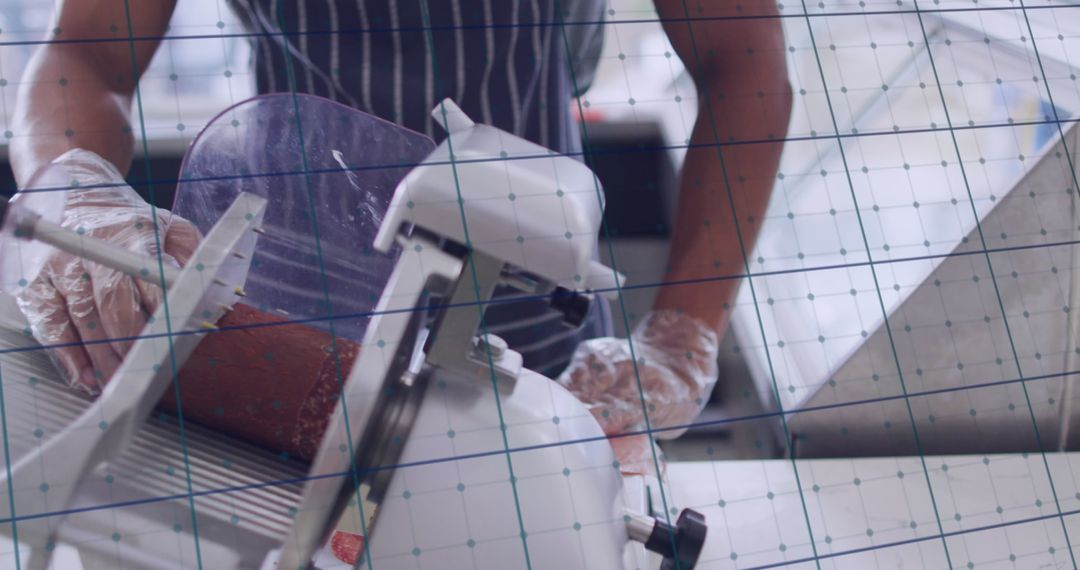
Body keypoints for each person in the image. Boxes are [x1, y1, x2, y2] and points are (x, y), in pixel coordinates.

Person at [10, 1, 791, 467]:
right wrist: (72, 195)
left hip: (544, 353)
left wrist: (683, 336)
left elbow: (742, 64)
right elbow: (88, 52)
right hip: (290, 338)